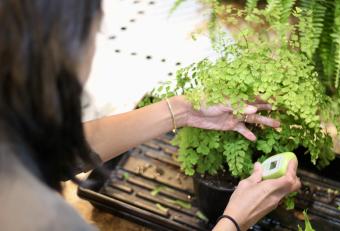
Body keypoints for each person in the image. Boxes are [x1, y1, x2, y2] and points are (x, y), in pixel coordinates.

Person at [0, 0, 301, 230]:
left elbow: (49, 150)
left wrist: (184, 110)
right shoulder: (42, 218)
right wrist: (235, 221)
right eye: (96, 32)